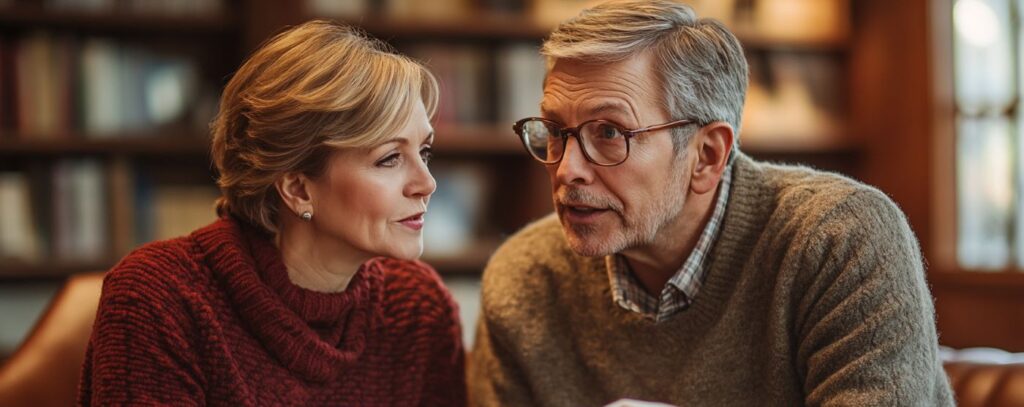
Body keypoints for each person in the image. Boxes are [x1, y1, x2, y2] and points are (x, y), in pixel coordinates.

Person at [469, 1, 954, 405]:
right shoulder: (524, 278)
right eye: (555, 132)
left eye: (610, 132)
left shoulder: (838, 240)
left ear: (707, 155)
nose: (568, 168)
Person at [78, 20, 465, 406]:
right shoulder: (159, 298)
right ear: (297, 188)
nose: (427, 183)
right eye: (390, 158)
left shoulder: (418, 308)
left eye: (424, 152)